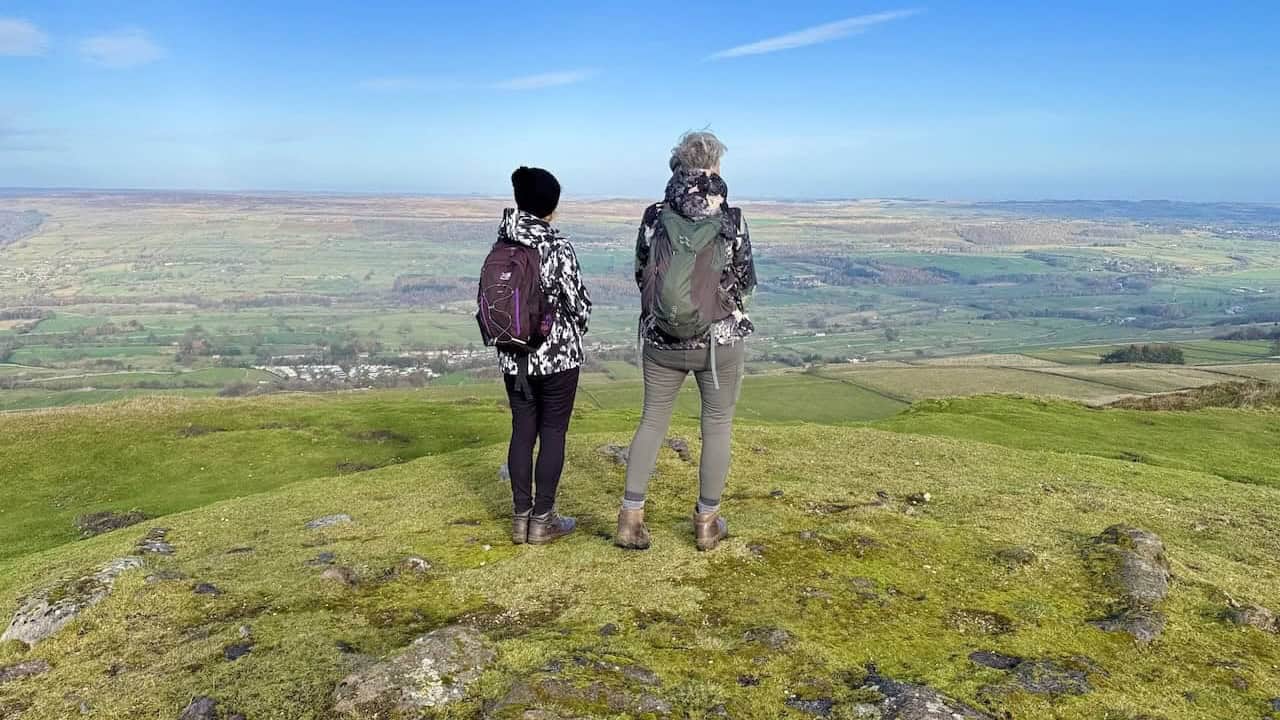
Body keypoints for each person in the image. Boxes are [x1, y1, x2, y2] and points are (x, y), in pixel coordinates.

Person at [616, 131, 757, 552]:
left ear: (677, 166)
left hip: (661, 340)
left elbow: (643, 273)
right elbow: (745, 279)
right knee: (716, 426)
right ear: (715, 167)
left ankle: (630, 518)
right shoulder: (731, 218)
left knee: (652, 421)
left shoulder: (653, 215)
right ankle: (707, 523)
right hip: (719, 342)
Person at [490, 167, 591, 545]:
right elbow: (578, 304)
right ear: (552, 207)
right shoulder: (557, 247)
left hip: (513, 356)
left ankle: (520, 520)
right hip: (557, 358)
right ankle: (542, 520)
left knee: (521, 430)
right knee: (552, 432)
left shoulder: (502, 246)